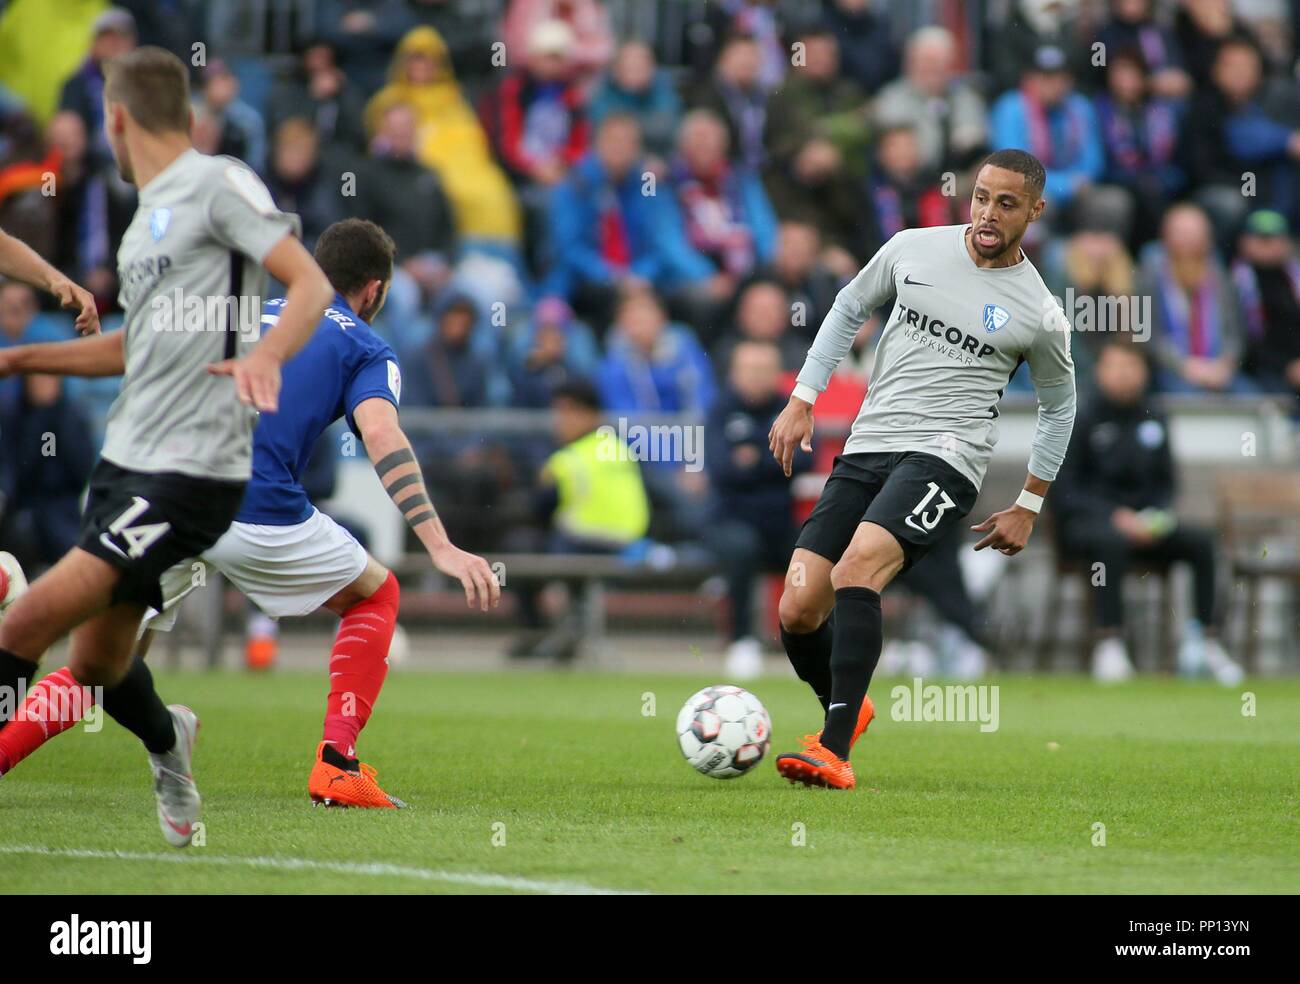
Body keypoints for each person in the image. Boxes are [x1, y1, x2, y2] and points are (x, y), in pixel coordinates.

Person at [0, 219, 500, 805]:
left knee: (102, 662)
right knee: (376, 593)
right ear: (374, 290)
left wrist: (21, 359)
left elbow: (141, 354)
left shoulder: (244, 312)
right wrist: (438, 543)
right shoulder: (367, 346)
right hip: (253, 507)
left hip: (168, 494)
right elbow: (383, 434)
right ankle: (337, 764)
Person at [0, 47, 335, 846]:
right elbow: (136, 349)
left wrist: (264, 355)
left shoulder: (219, 185)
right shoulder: (144, 219)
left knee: (23, 623)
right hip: (128, 462)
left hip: (194, 470)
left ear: (116, 117)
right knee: (97, 667)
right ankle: (168, 742)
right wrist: (18, 357)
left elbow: (312, 282)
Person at [767, 149, 1077, 789]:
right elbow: (850, 307)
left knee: (858, 568)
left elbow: (1059, 407)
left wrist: (1029, 503)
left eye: (1007, 203)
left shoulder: (1039, 311)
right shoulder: (913, 248)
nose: (989, 214)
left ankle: (833, 750)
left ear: (1035, 211)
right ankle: (848, 705)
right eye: (982, 197)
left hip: (948, 456)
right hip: (867, 445)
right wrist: (804, 397)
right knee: (798, 609)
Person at [1053, 337, 1243, 685]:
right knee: (1109, 543)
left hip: (1144, 527)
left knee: (1201, 542)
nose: (1125, 375)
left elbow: (1167, 484)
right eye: (1117, 367)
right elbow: (1065, 490)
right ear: (1101, 371)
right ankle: (1109, 641)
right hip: (1090, 526)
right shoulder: (1078, 416)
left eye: (1132, 367)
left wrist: (1154, 516)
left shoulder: (1155, 416)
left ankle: (1205, 640)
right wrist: (1114, 517)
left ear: (1143, 372)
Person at [704, 340, 805, 679]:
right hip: (731, 518)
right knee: (741, 548)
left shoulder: (792, 409)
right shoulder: (718, 411)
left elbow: (803, 458)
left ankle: (807, 643)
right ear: (734, 373)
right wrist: (774, 457)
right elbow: (722, 468)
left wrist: (752, 459)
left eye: (766, 370)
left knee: (815, 556)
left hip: (779, 521)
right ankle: (741, 640)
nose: (758, 377)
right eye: (751, 370)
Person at [1231, 209, 1300, 408]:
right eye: (1261, 238)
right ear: (1244, 241)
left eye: (1274, 237)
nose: (1268, 244)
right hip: (1261, 368)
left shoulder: (1294, 277)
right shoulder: (1236, 281)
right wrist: (1286, 367)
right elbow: (1245, 341)